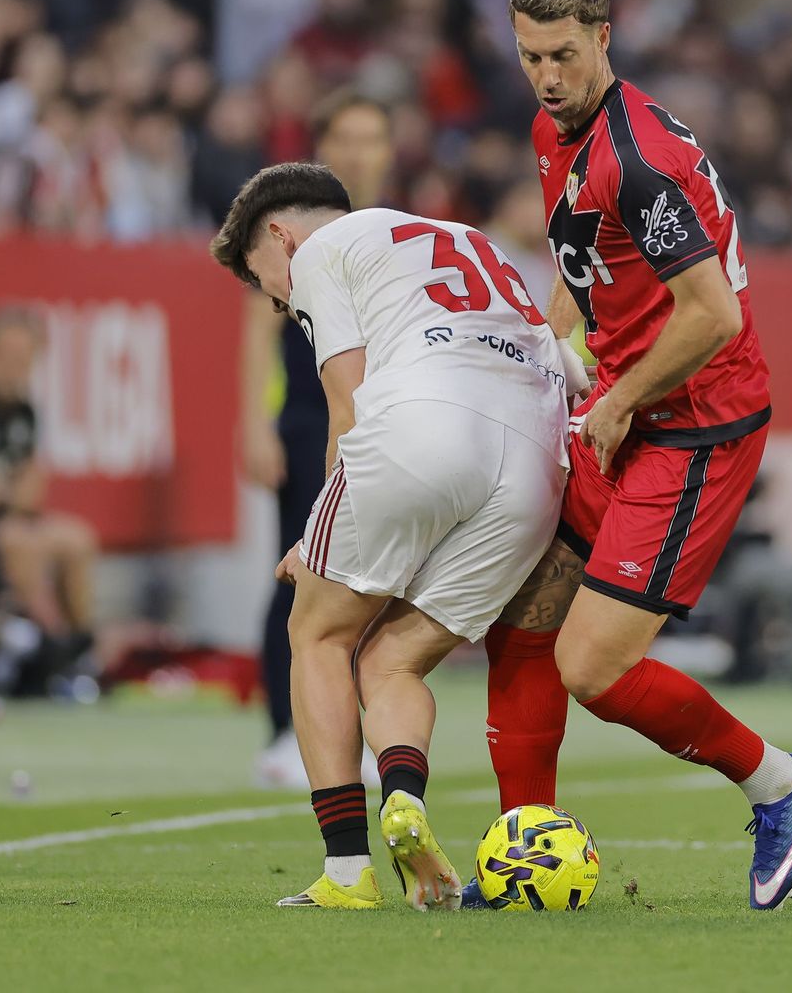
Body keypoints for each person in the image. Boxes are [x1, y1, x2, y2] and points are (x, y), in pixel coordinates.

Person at [480, 0, 792, 912]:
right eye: (527, 57)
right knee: (528, 616)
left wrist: (623, 397)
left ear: (604, 36)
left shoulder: (634, 159)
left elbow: (711, 314)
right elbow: (580, 254)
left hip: (695, 428)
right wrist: (555, 332)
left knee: (590, 664)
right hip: (631, 410)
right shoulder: (563, 129)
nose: (545, 76)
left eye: (560, 54)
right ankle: (523, 855)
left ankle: (782, 785)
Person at [209, 163, 575, 911]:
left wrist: (315, 531)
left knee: (316, 635)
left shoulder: (320, 252)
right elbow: (566, 365)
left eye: (261, 278)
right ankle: (403, 799)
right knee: (393, 662)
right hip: (537, 464)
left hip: (425, 423)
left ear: (280, 234)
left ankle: (348, 871)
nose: (277, 301)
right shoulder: (472, 239)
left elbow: (349, 404)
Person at [248, 92, 396, 790]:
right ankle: (284, 729)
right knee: (301, 572)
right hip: (309, 419)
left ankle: (352, 729)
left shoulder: (392, 221)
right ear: (324, 144)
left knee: (370, 578)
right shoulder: (298, 217)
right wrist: (255, 422)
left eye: (373, 137)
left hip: (376, 415)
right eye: (348, 136)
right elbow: (258, 326)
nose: (360, 150)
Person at [0, 306, 98, 698]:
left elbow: (30, 490)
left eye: (25, 359)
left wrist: (6, 488)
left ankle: (83, 648)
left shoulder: (23, 413)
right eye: (8, 357)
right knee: (21, 543)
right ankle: (53, 649)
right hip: (2, 530)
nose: (16, 368)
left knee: (76, 539)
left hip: (10, 520)